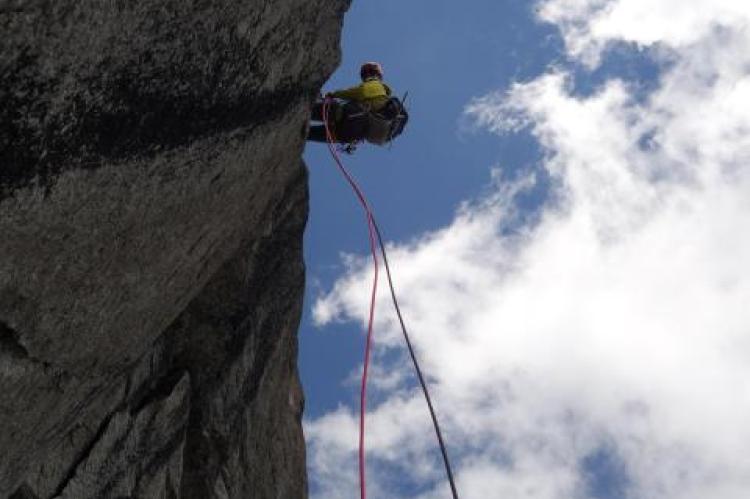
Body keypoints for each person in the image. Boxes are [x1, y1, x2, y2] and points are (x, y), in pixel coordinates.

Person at [308, 62, 406, 145]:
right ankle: (302, 132)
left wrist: (333, 94)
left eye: (366, 73)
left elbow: (360, 92)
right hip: (353, 133)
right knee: (314, 133)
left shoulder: (376, 85)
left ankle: (304, 110)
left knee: (333, 109)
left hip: (356, 119)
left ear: (373, 74)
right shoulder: (384, 99)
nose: (365, 76)